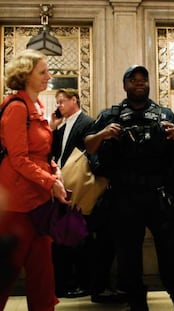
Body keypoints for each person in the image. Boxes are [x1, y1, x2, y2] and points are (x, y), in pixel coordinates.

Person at [84, 65, 174, 311]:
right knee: (128, 257)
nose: (140, 83)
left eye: (144, 80)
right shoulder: (110, 115)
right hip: (124, 197)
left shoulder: (164, 114)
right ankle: (136, 304)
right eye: (134, 80)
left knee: (171, 253)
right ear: (125, 85)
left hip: (159, 195)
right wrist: (103, 134)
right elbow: (88, 146)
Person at [0, 49, 70, 311]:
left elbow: (41, 152)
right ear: (25, 75)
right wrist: (50, 181)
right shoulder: (16, 107)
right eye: (42, 72)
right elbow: (18, 158)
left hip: (39, 201)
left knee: (43, 274)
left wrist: (55, 170)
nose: (48, 76)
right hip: (17, 205)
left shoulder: (38, 107)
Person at [49, 89, 94, 298]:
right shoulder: (62, 126)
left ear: (73, 100)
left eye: (61, 102)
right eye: (57, 102)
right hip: (62, 186)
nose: (59, 106)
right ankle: (65, 282)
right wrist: (52, 128)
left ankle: (82, 282)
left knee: (79, 237)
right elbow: (54, 153)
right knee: (64, 237)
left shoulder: (87, 122)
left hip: (79, 187)